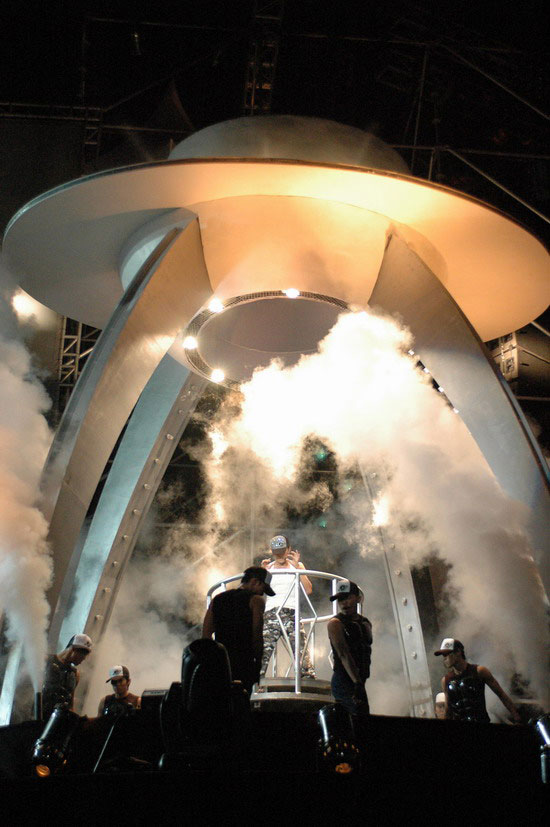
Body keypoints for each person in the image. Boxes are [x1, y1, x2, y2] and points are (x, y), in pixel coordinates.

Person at [202, 566, 275, 695]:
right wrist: (258, 663)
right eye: (263, 589)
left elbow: (206, 634)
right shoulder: (256, 601)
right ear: (255, 582)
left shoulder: (217, 599)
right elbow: (257, 635)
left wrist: (212, 660)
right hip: (243, 660)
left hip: (221, 661)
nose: (262, 594)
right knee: (241, 699)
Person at [260, 535, 316, 679]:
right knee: (262, 651)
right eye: (276, 553)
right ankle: (256, 681)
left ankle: (306, 677)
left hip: (292, 613)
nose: (279, 556)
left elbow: (308, 589)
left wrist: (298, 568)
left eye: (282, 551)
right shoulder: (268, 568)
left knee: (300, 649)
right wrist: (262, 572)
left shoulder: (297, 566)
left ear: (288, 550)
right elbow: (260, 592)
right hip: (271, 614)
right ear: (272, 552)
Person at [434, 638, 521, 723]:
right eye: (443, 655)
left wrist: (517, 717)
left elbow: (501, 694)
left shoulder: (479, 671)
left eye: (447, 654)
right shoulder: (446, 680)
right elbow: (448, 708)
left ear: (458, 652)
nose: (445, 658)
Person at [327, 580, 372, 716]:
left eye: (347, 598)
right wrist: (357, 682)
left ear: (358, 598)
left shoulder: (365, 623)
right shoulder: (335, 623)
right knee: (354, 718)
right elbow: (343, 654)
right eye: (340, 599)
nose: (344, 603)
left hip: (359, 681)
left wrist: (359, 683)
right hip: (344, 680)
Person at [42, 633, 92, 720]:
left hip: (59, 721)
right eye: (82, 654)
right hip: (40, 716)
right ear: (73, 649)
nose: (84, 658)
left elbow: (70, 703)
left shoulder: (75, 674)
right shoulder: (47, 661)